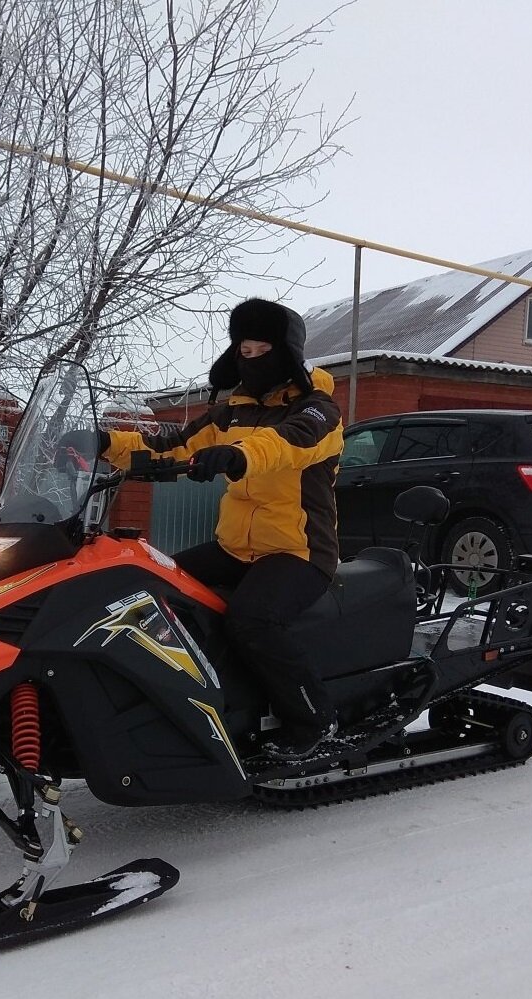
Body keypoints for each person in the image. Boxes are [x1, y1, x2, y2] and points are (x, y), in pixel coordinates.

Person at [98, 298, 344, 758]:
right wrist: (104, 443)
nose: (250, 361)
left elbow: (287, 444)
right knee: (154, 583)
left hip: (297, 552)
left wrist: (237, 455)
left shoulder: (319, 410)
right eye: (242, 352)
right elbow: (169, 445)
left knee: (252, 619)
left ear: (286, 352)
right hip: (235, 547)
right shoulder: (231, 411)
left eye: (260, 351)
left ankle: (313, 721)